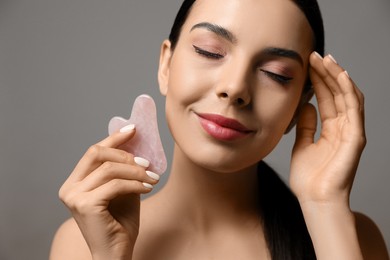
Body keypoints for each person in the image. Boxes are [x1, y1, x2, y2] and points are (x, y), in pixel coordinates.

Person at [50, 0, 389, 259]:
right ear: (166, 65)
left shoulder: (353, 239)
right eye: (210, 51)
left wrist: (324, 207)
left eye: (277, 73)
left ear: (299, 107)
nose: (235, 87)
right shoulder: (83, 240)